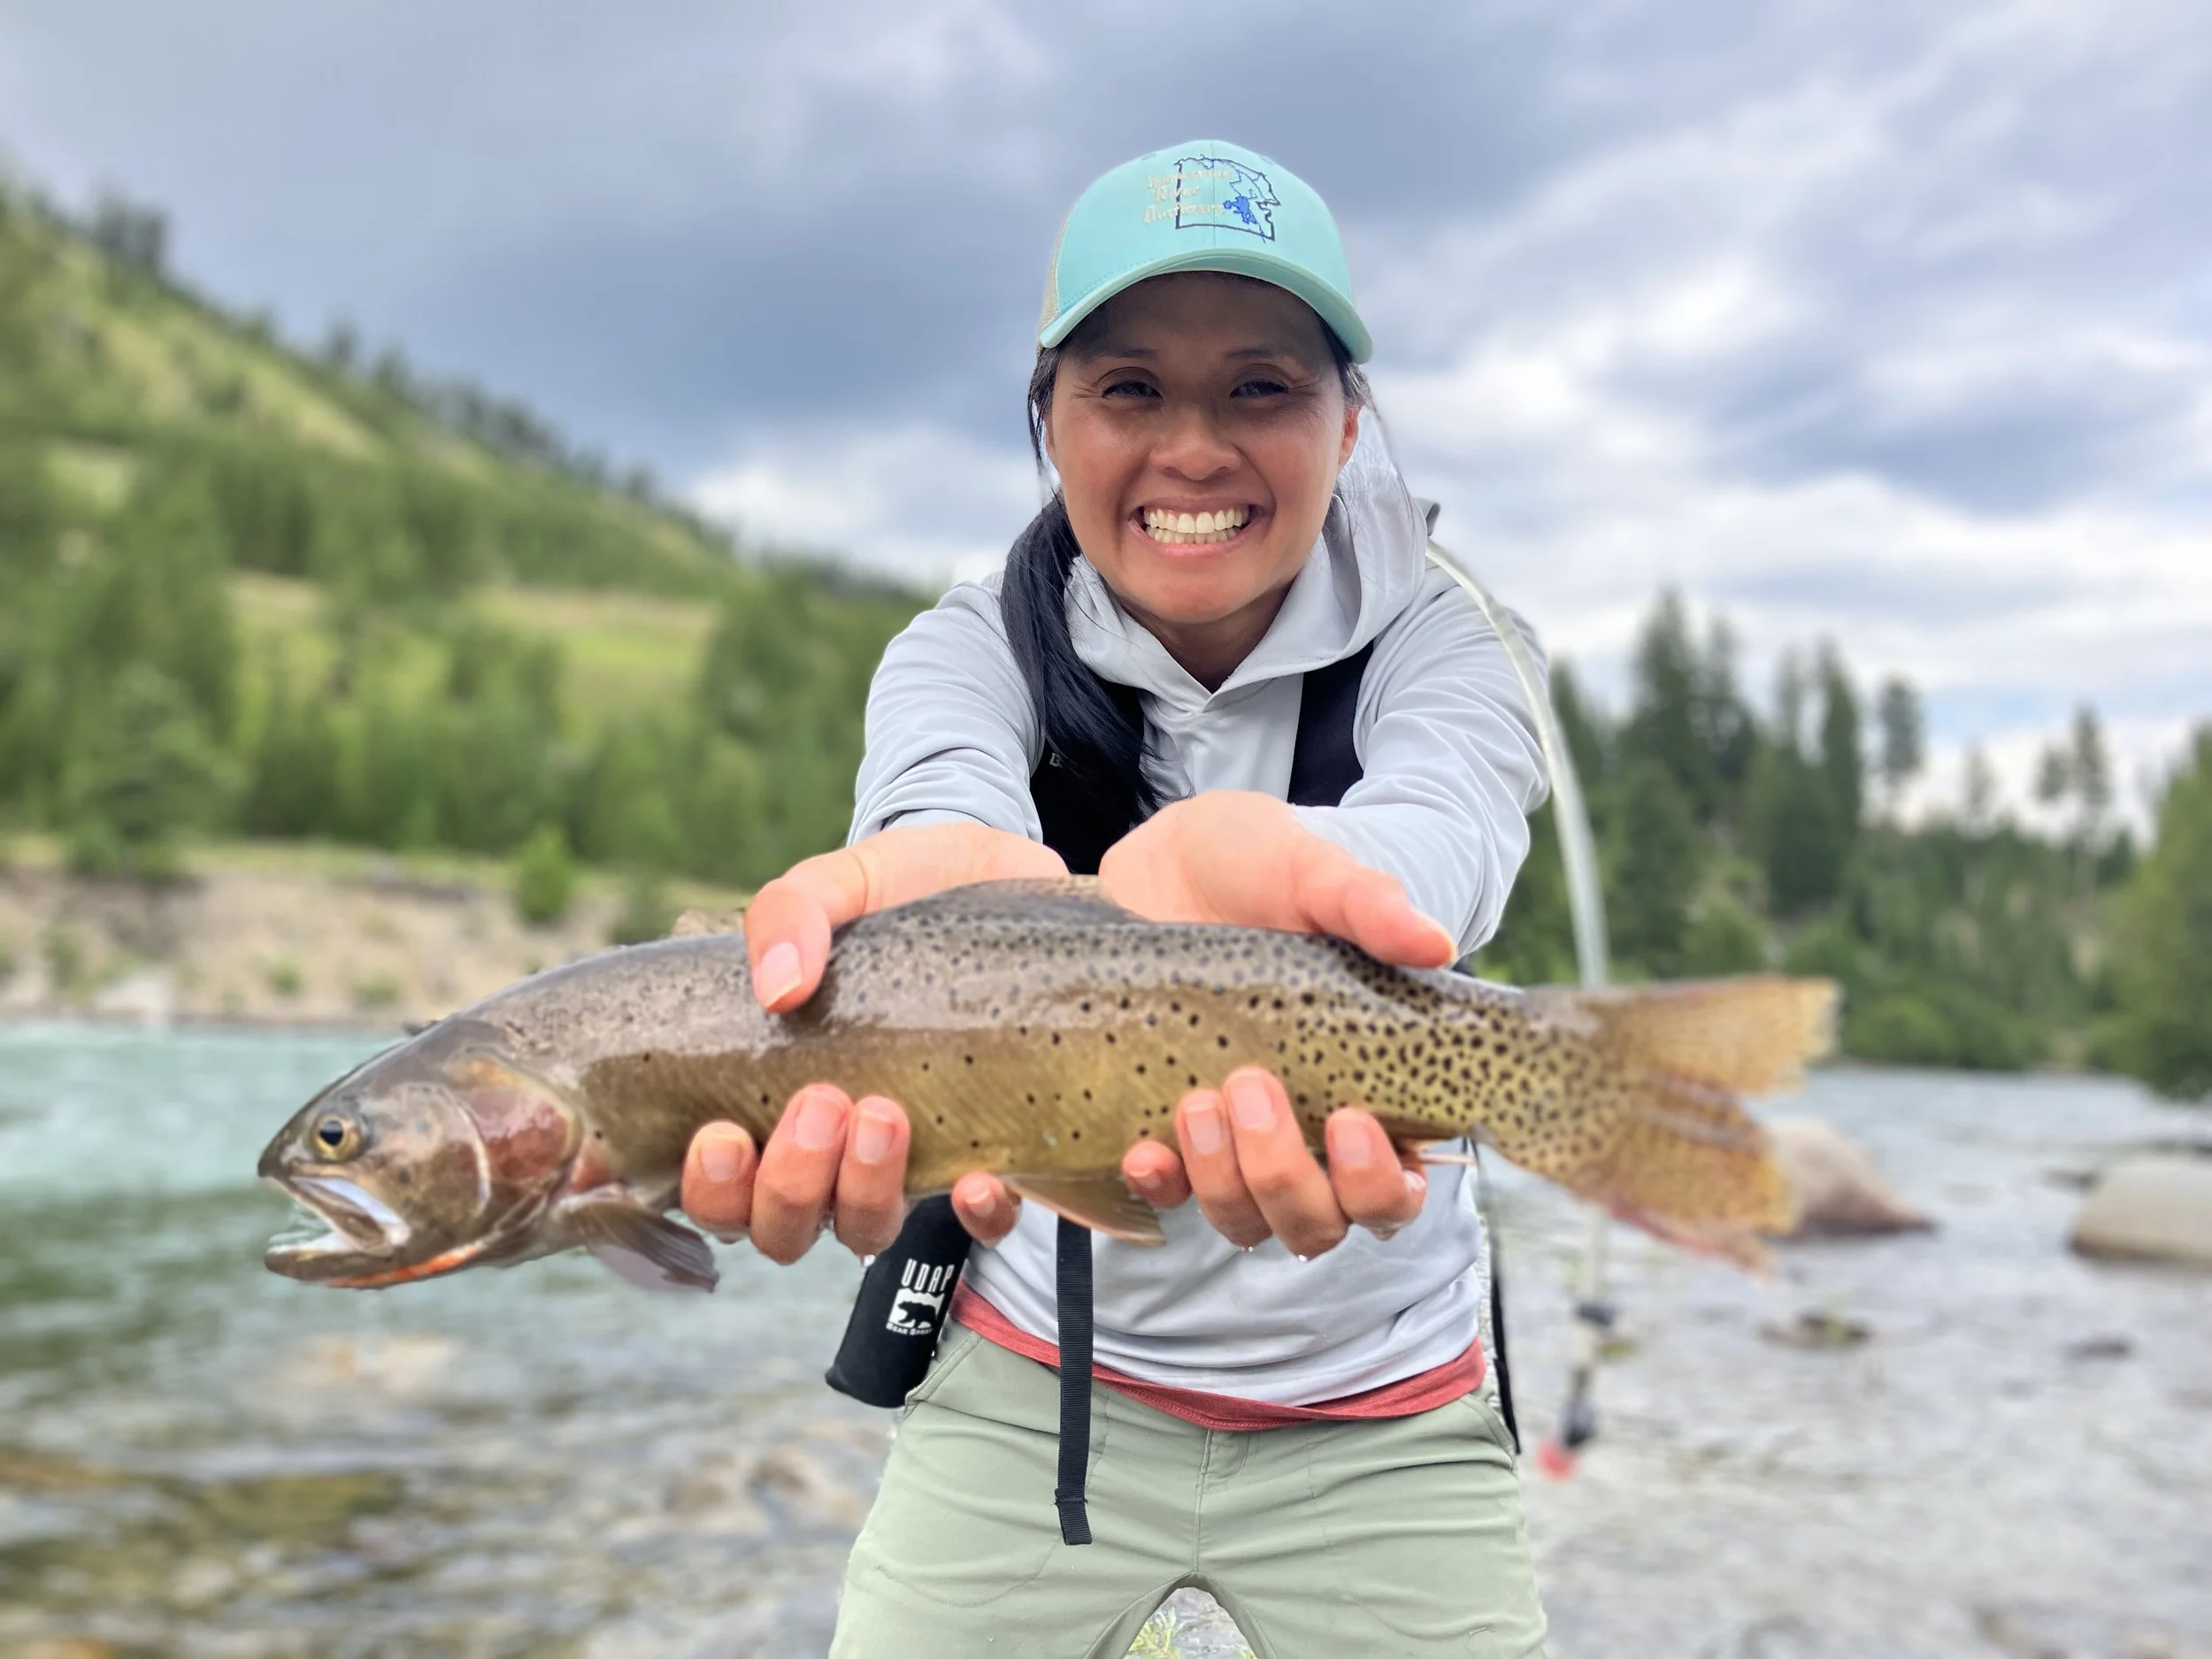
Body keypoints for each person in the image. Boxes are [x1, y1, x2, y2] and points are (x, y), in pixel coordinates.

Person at [680, 140, 1552, 1658]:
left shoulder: (1449, 636)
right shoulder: (972, 647)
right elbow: (937, 815)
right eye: (1130, 389)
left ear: (1350, 422)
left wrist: (1306, 901)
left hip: (1388, 1414)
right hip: (1034, 1393)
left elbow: (1445, 843)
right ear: (1050, 419)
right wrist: (951, 900)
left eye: (1262, 388)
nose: (1195, 447)